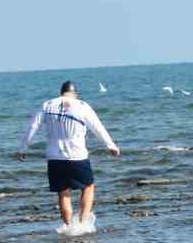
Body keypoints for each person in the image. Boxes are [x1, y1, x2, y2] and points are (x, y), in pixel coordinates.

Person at [16, 81, 120, 233]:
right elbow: (97, 127)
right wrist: (111, 145)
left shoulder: (47, 105)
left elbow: (33, 126)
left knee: (63, 192)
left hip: (54, 156)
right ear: (75, 93)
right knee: (88, 187)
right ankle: (83, 224)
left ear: (62, 92)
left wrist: (23, 148)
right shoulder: (82, 105)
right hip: (77, 155)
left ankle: (69, 227)